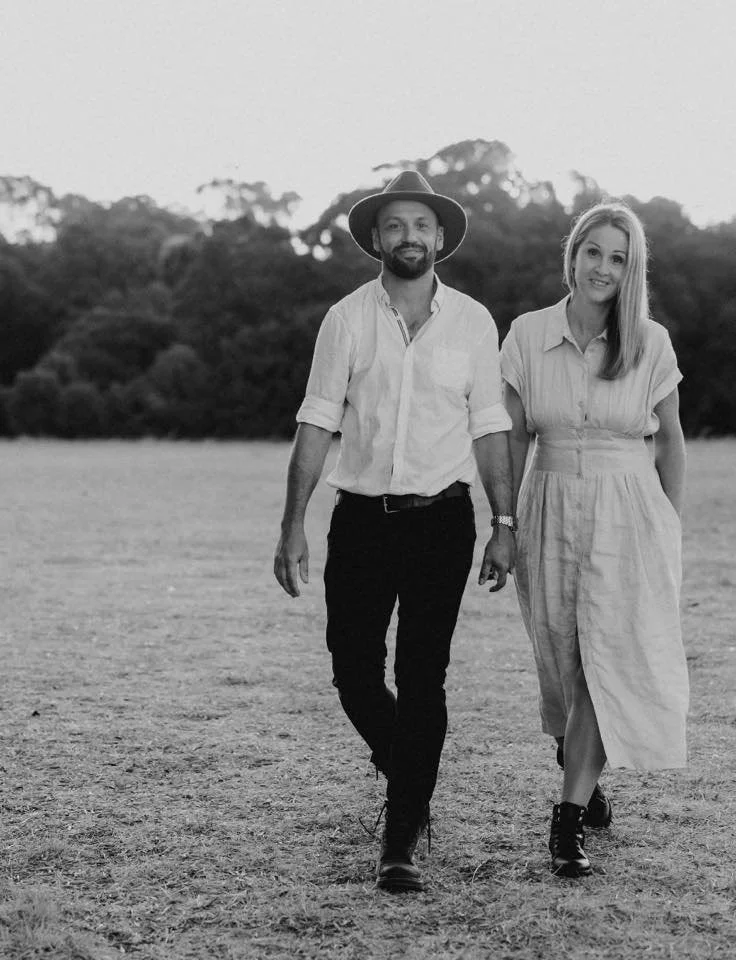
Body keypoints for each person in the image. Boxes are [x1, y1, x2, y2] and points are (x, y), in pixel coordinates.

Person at [274, 170, 517, 894]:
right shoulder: (346, 319)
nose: (408, 237)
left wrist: (504, 523)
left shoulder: (473, 322)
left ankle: (401, 836)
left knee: (421, 676)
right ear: (377, 239)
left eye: (420, 225)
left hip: (444, 520)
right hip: (361, 521)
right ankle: (410, 770)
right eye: (395, 226)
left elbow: (490, 426)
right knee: (353, 671)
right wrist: (292, 525)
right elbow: (317, 420)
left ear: (439, 237)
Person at [500, 201, 687, 878]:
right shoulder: (527, 334)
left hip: (628, 512)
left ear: (631, 269)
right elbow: (513, 436)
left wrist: (668, 524)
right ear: (572, 255)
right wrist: (502, 523)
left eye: (618, 258)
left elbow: (670, 441)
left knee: (603, 663)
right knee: (560, 661)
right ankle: (575, 761)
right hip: (548, 504)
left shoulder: (650, 342)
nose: (603, 268)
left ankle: (568, 816)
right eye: (593, 252)